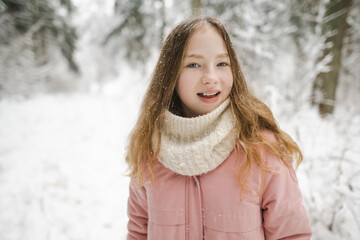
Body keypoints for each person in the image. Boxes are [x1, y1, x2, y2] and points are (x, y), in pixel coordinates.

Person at [125, 16, 312, 240]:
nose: (211, 78)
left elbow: (290, 234)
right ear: (170, 74)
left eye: (222, 63)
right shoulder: (150, 150)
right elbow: (138, 232)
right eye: (194, 64)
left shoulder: (261, 149)